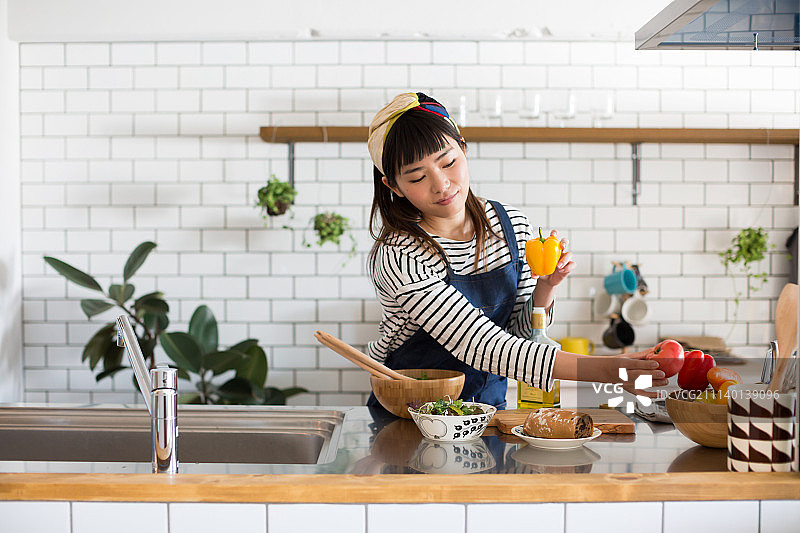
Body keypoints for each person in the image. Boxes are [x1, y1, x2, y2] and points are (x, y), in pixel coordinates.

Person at [364, 92, 666, 412]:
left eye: (448, 162)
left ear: (463, 149)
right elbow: (480, 345)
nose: (441, 184)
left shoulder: (509, 225)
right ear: (394, 186)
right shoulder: (400, 254)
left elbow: (519, 333)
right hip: (412, 417)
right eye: (417, 176)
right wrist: (607, 369)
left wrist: (545, 287)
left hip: (488, 412)